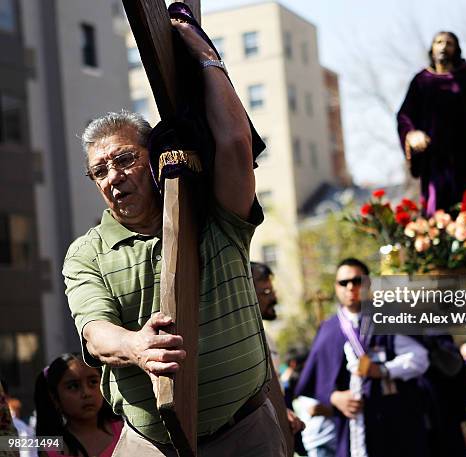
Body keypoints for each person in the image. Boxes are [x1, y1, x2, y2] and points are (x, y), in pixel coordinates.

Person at [62, 8, 284, 457]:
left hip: (245, 433)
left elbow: (237, 146)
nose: (113, 177)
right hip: (150, 443)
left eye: (124, 160)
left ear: (156, 158)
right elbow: (95, 332)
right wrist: (136, 346)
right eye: (99, 171)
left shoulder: (216, 215)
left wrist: (205, 55)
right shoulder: (87, 253)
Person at [294, 258, 430, 457]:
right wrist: (334, 398)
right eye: (343, 283)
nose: (350, 287)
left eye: (357, 281)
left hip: (396, 422)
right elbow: (310, 387)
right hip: (351, 429)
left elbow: (420, 358)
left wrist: (384, 370)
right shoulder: (328, 330)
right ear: (336, 287)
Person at [396, 31, 466, 215]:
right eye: (439, 42)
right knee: (437, 218)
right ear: (431, 49)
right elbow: (404, 115)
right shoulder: (421, 81)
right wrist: (411, 134)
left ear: (457, 49)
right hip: (435, 165)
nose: (444, 47)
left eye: (449, 43)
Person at [250, 262, 305, 445]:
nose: (274, 298)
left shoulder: (267, 338)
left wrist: (282, 410)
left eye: (272, 291)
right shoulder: (245, 342)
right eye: (266, 292)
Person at [34, 353, 123, 457]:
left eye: (93, 382)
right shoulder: (50, 446)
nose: (86, 393)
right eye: (73, 386)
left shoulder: (124, 431)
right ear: (55, 398)